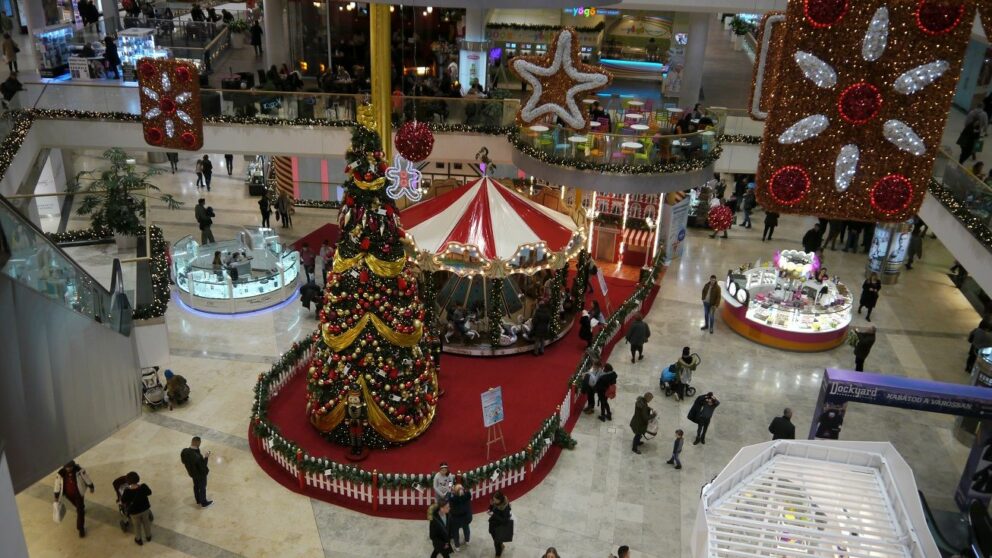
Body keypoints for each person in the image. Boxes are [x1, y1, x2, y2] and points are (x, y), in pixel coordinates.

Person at [53, 460, 95, 538]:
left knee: (80, 510)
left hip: (78, 493)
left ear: (73, 466)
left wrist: (91, 486)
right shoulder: (60, 473)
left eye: (70, 467)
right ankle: (80, 507)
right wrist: (56, 496)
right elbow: (57, 485)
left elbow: (86, 478)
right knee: (78, 506)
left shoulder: (79, 470)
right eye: (67, 468)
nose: (68, 469)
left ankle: (80, 528)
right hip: (68, 494)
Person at [120, 471, 153, 545]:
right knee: (146, 523)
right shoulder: (143, 486)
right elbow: (149, 492)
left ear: (128, 481)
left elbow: (123, 501)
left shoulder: (127, 491)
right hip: (145, 509)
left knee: (137, 526)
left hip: (134, 512)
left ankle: (138, 539)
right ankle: (148, 536)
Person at [180, 436, 212, 507]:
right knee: (202, 487)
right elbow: (203, 467)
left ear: (192, 441)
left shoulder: (184, 451)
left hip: (192, 474)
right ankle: (203, 502)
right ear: (198, 443)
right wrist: (206, 457)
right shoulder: (197, 456)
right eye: (200, 443)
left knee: (196, 486)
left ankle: (198, 500)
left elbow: (183, 461)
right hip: (201, 475)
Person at [487, 491, 512, 557]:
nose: (494, 501)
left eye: (495, 500)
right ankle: (501, 545)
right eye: (493, 500)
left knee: (496, 543)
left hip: (499, 527)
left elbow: (505, 521)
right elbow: (492, 507)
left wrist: (494, 514)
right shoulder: (497, 503)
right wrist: (490, 508)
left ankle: (498, 554)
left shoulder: (505, 508)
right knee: (496, 540)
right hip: (493, 525)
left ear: (500, 500)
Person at [448, 484, 472, 551]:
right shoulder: (466, 496)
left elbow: (449, 495)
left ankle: (457, 546)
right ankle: (467, 540)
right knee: (466, 529)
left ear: (455, 492)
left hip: (455, 518)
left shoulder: (452, 499)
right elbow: (468, 493)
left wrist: (451, 491)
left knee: (455, 532)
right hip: (465, 517)